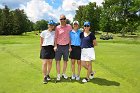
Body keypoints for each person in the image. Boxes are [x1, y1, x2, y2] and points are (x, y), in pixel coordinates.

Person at [54, 14, 72, 81]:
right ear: (59, 20)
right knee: (58, 61)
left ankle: (63, 73)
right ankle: (58, 75)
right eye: (61, 19)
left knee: (65, 61)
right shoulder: (57, 27)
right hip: (59, 46)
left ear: (65, 19)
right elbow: (55, 37)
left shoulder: (69, 27)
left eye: (64, 19)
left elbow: (70, 37)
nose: (62, 20)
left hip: (66, 46)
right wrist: (55, 46)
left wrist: (70, 47)